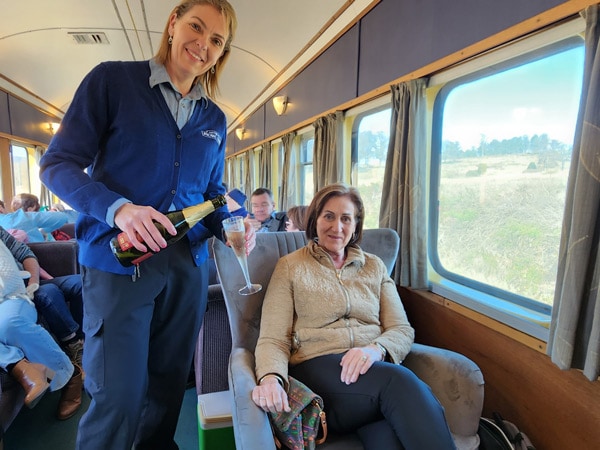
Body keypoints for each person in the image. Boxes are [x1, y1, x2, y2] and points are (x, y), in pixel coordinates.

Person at [39, 1, 254, 449]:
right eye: (196, 27)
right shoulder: (112, 81)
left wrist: (235, 221)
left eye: (217, 40)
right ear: (173, 23)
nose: (204, 44)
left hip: (187, 270)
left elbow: (212, 193)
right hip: (119, 265)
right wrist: (118, 208)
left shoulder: (214, 119)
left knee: (167, 388)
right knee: (117, 397)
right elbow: (57, 164)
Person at [252, 183, 456, 450]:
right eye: (329, 216)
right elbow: (273, 337)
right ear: (315, 220)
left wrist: (375, 350)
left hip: (370, 372)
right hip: (318, 370)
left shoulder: (374, 266)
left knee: (388, 435)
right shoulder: (290, 267)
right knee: (401, 382)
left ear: (356, 225)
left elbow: (401, 329)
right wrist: (270, 378)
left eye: (346, 218)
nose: (337, 227)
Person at [0, 226, 84, 420]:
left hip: (12, 294)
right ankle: (24, 368)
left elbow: (24, 254)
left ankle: (70, 370)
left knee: (9, 324)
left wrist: (33, 284)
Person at [0, 194, 68, 242]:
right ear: (0, 208)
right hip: (41, 256)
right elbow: (62, 217)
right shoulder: (22, 217)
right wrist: (43, 231)